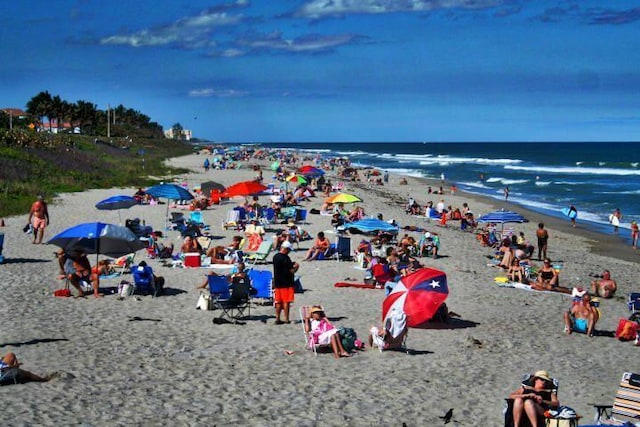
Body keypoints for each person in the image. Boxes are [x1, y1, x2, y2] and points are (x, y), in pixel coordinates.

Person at [272, 240, 299, 324]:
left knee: (278, 301)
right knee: (286, 301)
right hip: (286, 283)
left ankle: (277, 318)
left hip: (277, 282)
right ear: (286, 249)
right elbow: (291, 271)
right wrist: (296, 267)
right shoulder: (286, 258)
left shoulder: (275, 257)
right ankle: (287, 319)